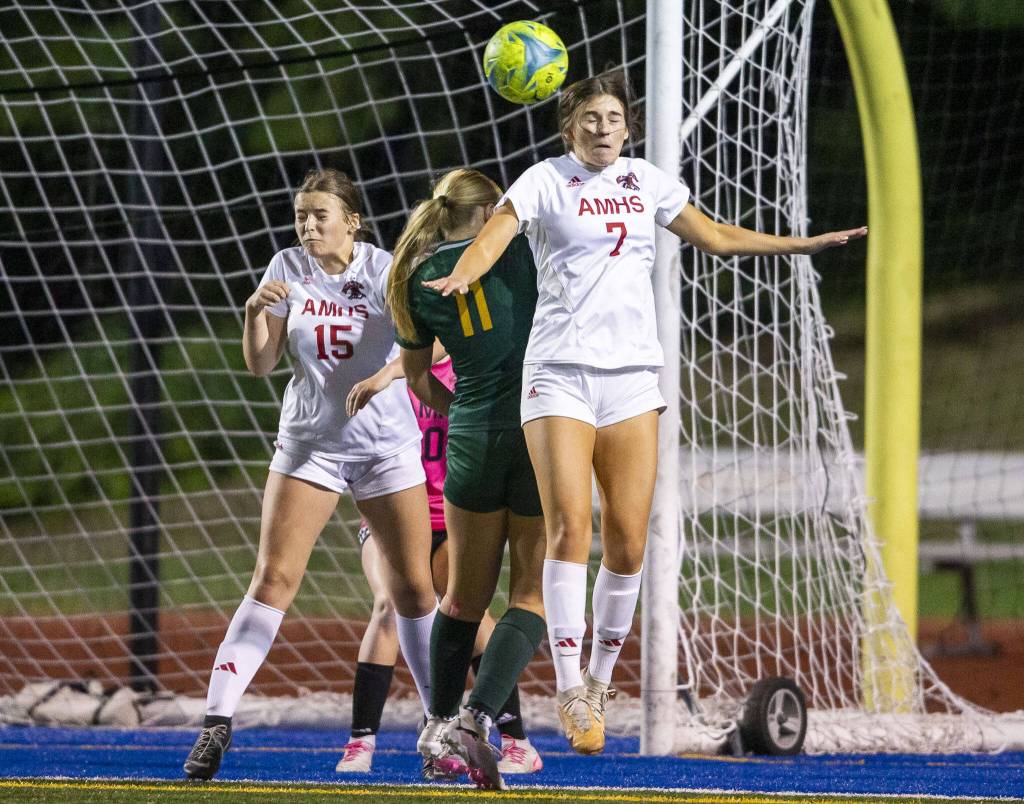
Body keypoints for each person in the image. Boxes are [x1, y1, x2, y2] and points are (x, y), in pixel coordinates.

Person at [424, 71, 867, 756]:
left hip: (632, 376)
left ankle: (599, 683)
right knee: (573, 525)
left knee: (628, 540)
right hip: (559, 374)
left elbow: (715, 237)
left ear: (627, 126)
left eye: (612, 118)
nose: (602, 128)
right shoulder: (543, 180)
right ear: (569, 128)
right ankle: (571, 689)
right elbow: (497, 232)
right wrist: (467, 272)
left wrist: (801, 246)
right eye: (589, 119)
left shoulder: (646, 182)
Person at [182, 168, 438, 781]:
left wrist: (382, 380)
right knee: (274, 577)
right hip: (310, 445)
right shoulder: (285, 268)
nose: (308, 224)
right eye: (302, 214)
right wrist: (252, 313)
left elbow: (422, 346)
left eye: (321, 213)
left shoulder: (383, 269)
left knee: (413, 589)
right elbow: (261, 364)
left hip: (385, 447)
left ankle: (439, 727)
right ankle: (216, 721)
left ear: (352, 220)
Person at [388, 168, 547, 790]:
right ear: (489, 217)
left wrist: (469, 414)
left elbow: (421, 380)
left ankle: (435, 726)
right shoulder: (525, 257)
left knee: (459, 598)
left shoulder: (412, 279)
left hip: (472, 440)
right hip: (537, 436)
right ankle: (478, 719)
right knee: (532, 596)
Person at [335, 356, 541, 775]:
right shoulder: (389, 371)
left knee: (466, 608)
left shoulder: (472, 369)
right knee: (388, 604)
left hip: (451, 516)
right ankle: (361, 742)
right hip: (393, 515)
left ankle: (516, 740)